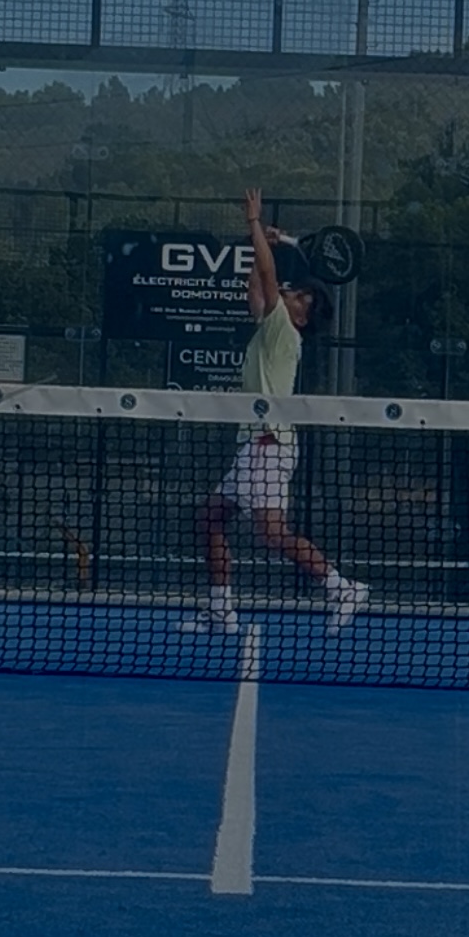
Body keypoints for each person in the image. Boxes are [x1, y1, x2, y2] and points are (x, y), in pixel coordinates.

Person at [185, 186, 369, 637]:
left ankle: (341, 588)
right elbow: (257, 286)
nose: (289, 293)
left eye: (299, 296)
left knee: (271, 533)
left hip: (268, 446)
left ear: (301, 317)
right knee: (210, 518)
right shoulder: (271, 326)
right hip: (255, 445)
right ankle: (221, 610)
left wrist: (253, 225)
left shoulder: (285, 330)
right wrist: (259, 246)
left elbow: (268, 277)